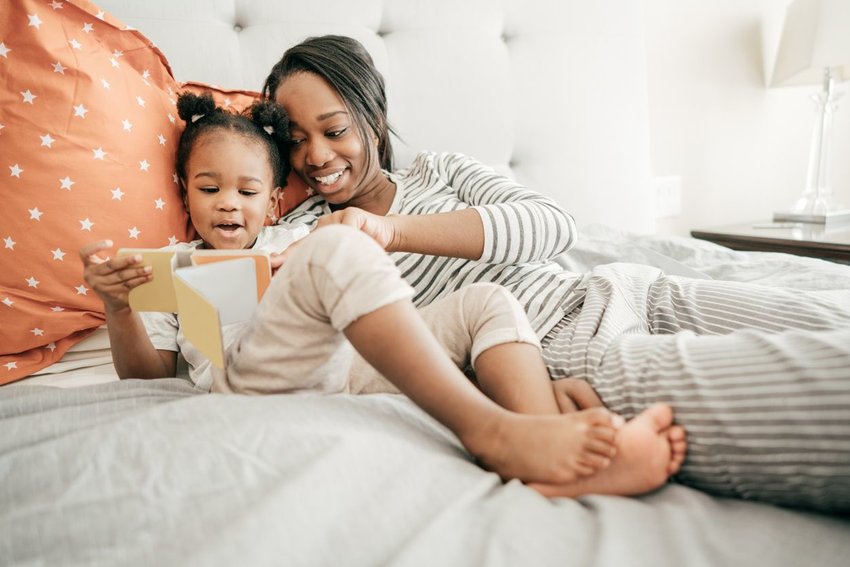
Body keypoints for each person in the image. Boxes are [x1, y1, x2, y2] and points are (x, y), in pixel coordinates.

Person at [264, 34, 850, 512]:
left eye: (334, 130)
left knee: (829, 314)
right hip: (561, 346)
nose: (315, 156)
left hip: (627, 287)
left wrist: (393, 230)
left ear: (376, 118)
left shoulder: (441, 170)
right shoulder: (309, 235)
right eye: (294, 141)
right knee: (824, 384)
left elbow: (552, 224)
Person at [80, 91, 688, 499]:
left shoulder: (303, 230)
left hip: (348, 370)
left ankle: (538, 440)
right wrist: (119, 306)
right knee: (337, 250)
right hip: (247, 383)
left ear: (273, 201)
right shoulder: (169, 268)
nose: (228, 204)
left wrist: (305, 257)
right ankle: (493, 432)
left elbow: (368, 288)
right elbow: (146, 378)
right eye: (209, 189)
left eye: (246, 191)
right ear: (186, 195)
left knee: (485, 301)